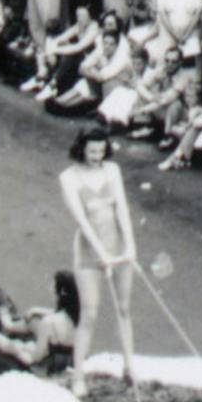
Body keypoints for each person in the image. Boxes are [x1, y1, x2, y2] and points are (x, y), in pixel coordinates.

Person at [60, 127, 139, 381]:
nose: (97, 155)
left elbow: (122, 209)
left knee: (124, 308)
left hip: (117, 245)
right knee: (90, 313)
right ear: (81, 148)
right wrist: (101, 254)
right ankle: (78, 376)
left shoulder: (112, 170)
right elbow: (81, 220)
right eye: (92, 150)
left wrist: (130, 246)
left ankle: (129, 367)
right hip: (89, 251)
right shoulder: (68, 178)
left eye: (101, 150)